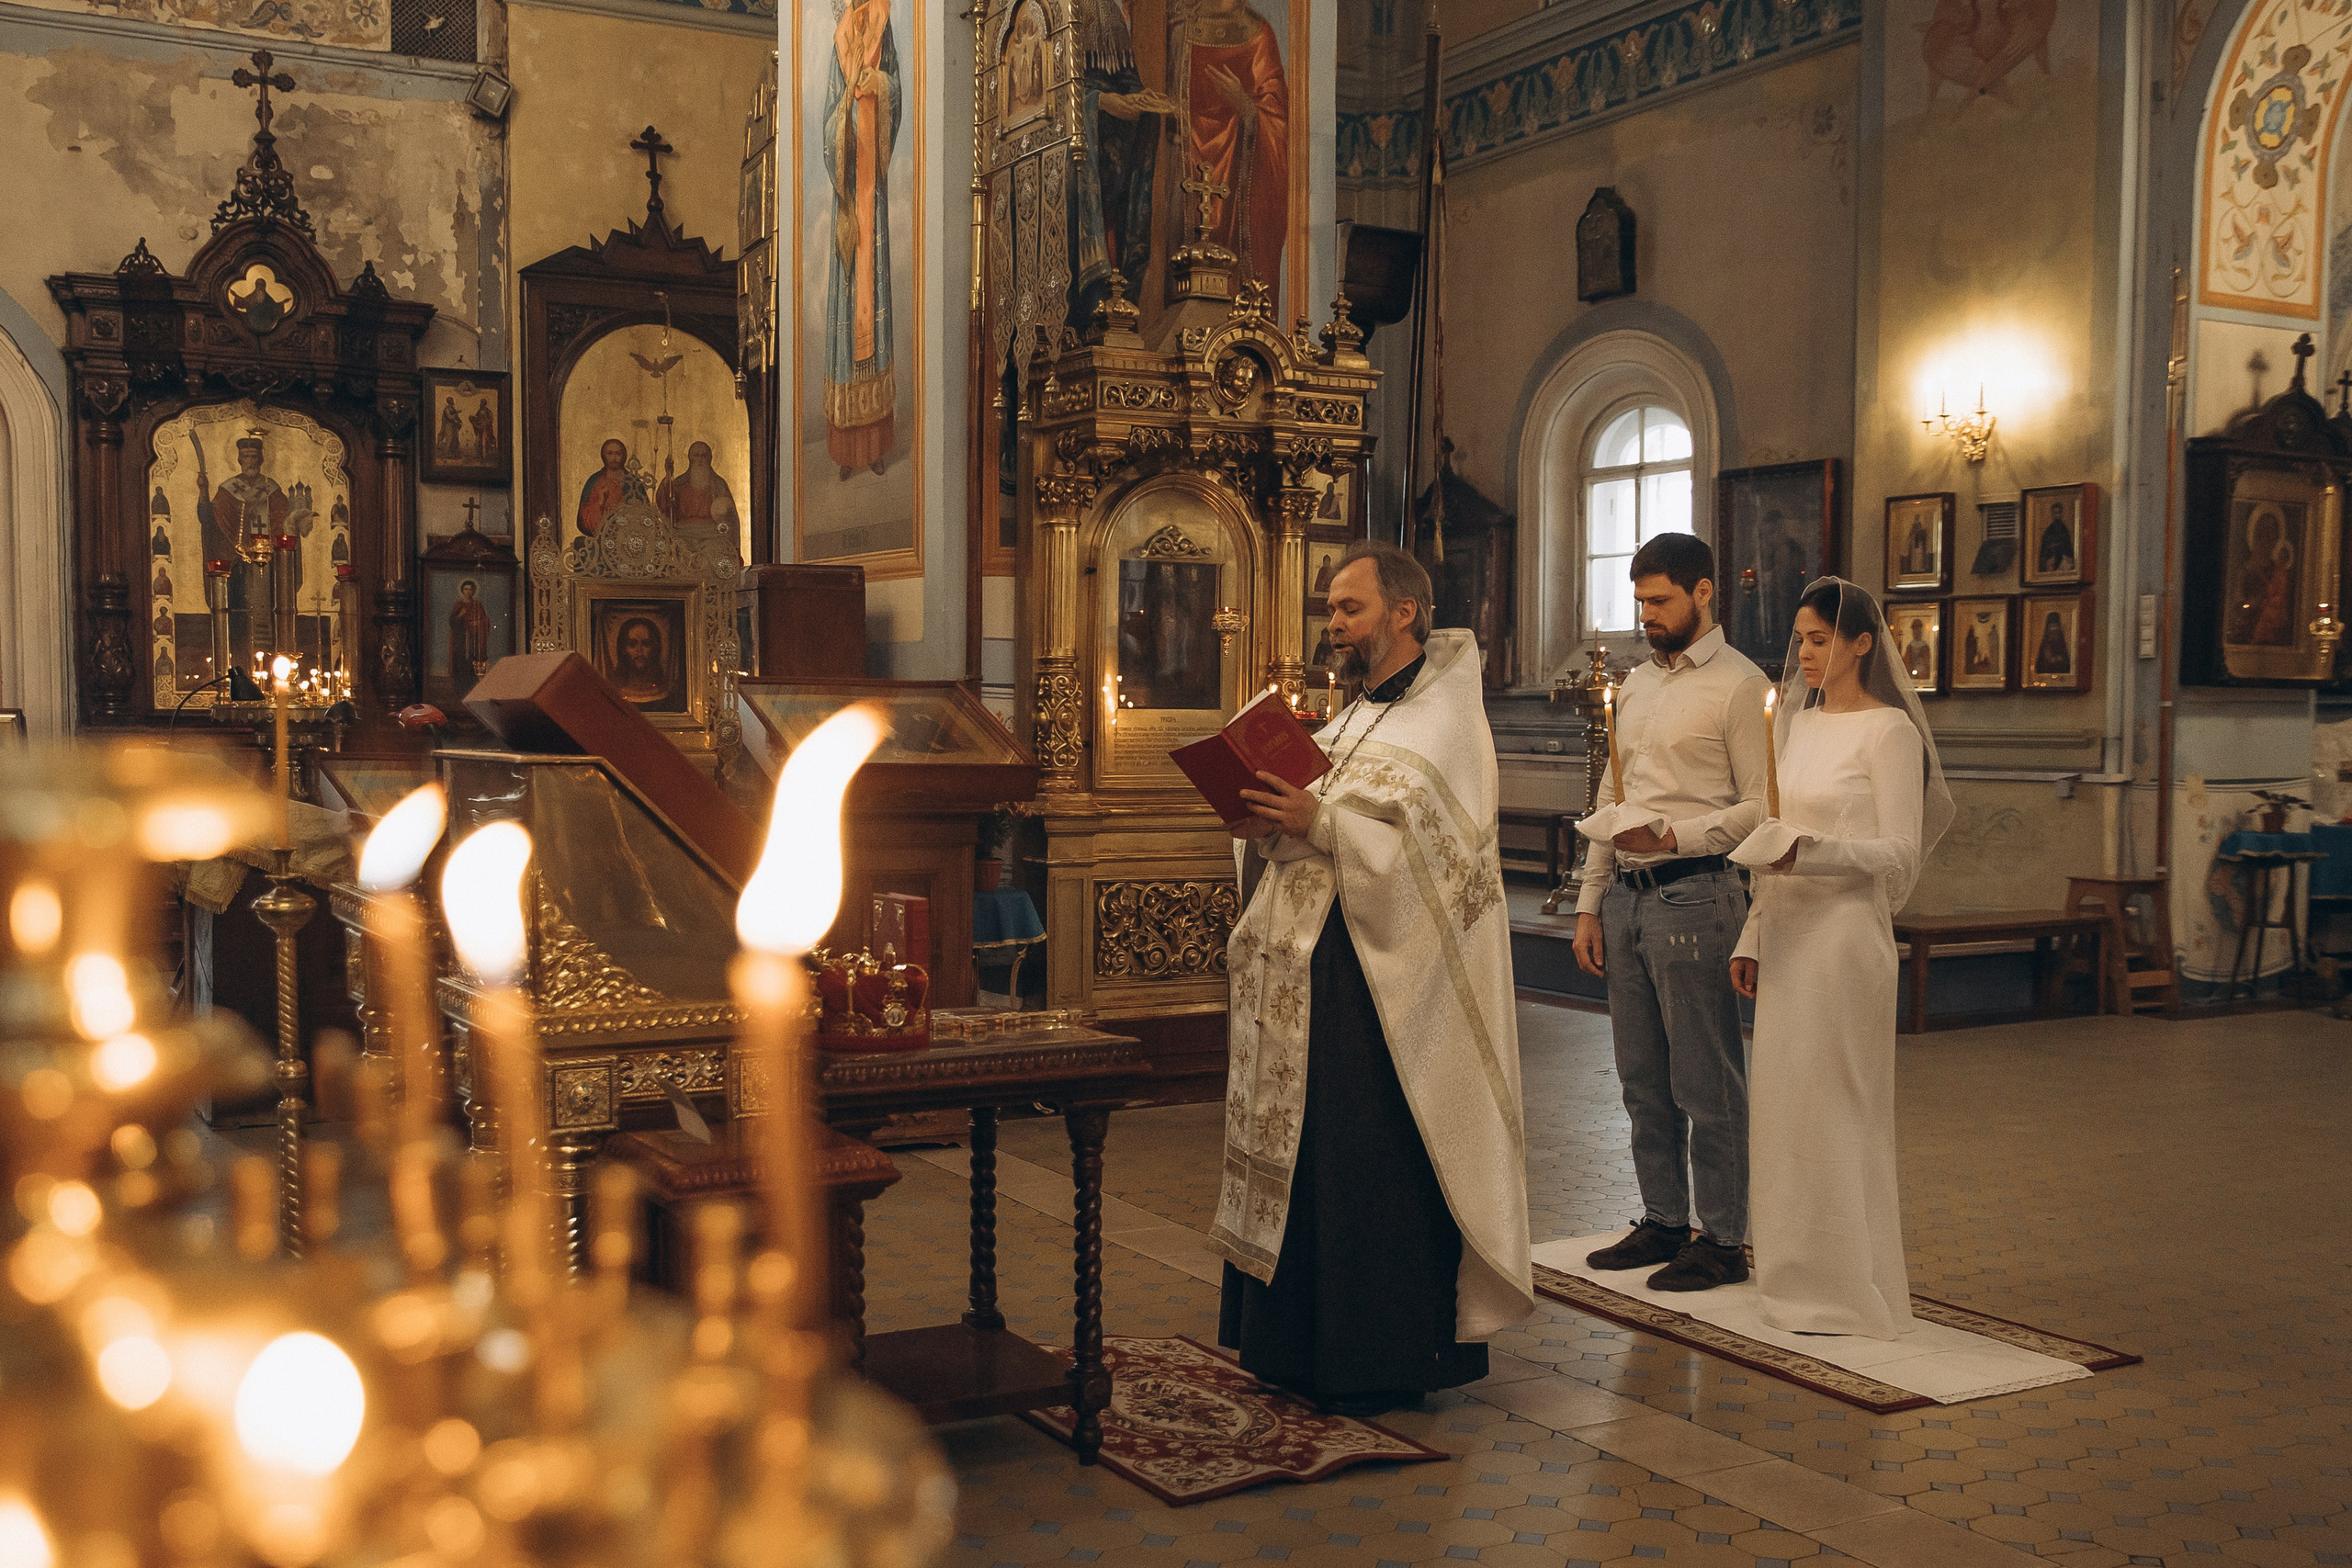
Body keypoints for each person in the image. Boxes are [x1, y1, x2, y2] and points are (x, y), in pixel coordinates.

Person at [1216, 541, 1532, 1416]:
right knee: (1308, 1155)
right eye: (1331, 609)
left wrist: (1319, 821)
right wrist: (1263, 821)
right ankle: (1292, 1347)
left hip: (1383, 987)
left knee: (1364, 1158)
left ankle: (1376, 1357)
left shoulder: (1448, 725)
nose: (1335, 624)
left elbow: (1439, 866)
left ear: (1405, 611)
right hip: (1306, 970)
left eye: (1349, 608)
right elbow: (1308, 825)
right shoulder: (1350, 718)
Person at [1730, 578, 1951, 1338]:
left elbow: (1900, 854)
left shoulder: (1889, 732)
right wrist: (1753, 934)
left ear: (1862, 642)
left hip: (1846, 942)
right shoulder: (1800, 725)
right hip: (1790, 935)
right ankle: (1793, 1277)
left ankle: (1852, 1284)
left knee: (1838, 1110)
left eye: (1819, 639)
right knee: (1786, 1110)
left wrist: (1816, 853)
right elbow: (1774, 834)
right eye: (1800, 639)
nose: (1804, 653)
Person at [1574, 533, 1771, 1292]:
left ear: (1703, 592)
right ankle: (1663, 1219)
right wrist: (1590, 901)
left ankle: (1722, 1238)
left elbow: (1762, 805)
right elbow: (1612, 793)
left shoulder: (1739, 685)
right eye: (1641, 602)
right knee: (1641, 1077)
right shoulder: (1638, 685)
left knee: (1704, 1079)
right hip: (1627, 898)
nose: (1647, 615)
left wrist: (1675, 836)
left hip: (1698, 892)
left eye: (1660, 600)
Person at [577, 439, 632, 537]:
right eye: (610, 453)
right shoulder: (594, 480)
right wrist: (600, 502)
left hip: (628, 537)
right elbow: (583, 520)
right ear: (603, 455)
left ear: (624, 456)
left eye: (618, 453)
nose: (614, 458)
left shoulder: (633, 482)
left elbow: (646, 513)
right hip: (600, 537)